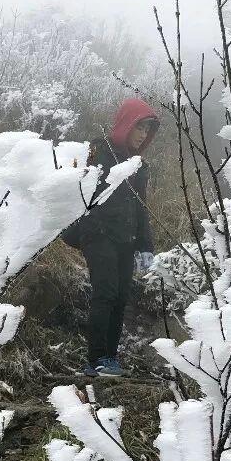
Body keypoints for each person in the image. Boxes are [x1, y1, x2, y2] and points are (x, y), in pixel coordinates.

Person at [71, 97, 159, 377]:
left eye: (148, 130)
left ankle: (110, 358)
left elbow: (140, 207)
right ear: (126, 124)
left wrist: (145, 246)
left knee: (121, 297)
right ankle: (96, 360)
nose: (143, 134)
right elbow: (82, 190)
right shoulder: (99, 150)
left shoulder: (138, 165)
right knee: (105, 292)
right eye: (140, 127)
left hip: (126, 239)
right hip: (97, 233)